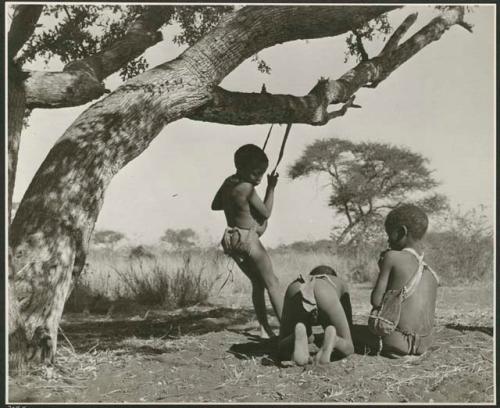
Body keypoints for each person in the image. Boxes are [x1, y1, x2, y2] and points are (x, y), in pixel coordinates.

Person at [211, 144, 282, 338]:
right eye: (255, 173)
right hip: (247, 239)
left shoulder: (230, 183)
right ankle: (289, 329)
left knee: (257, 284)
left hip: (231, 239)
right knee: (272, 283)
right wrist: (271, 188)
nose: (259, 178)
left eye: (262, 173)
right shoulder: (247, 188)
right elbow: (266, 212)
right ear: (241, 168)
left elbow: (215, 205)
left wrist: (235, 202)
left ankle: (264, 329)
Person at [370, 204, 439, 357]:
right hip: (423, 344)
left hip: (396, 342)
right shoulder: (431, 271)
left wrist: (382, 269)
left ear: (401, 232)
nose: (388, 240)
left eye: (389, 234)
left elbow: (375, 301)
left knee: (352, 332)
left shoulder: (392, 257)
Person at [278, 265, 354, 365]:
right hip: (325, 291)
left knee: (282, 343)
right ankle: (334, 340)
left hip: (297, 286)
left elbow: (284, 327)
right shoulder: (338, 282)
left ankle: (294, 336)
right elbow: (349, 325)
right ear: (333, 275)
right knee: (348, 346)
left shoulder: (305, 280)